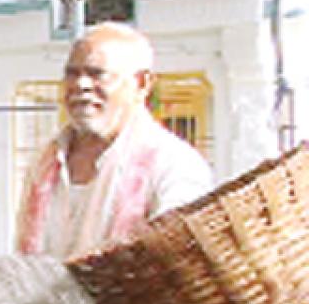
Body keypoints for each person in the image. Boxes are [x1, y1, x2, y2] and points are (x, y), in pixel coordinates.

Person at [16, 22, 212, 260]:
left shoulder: (174, 164)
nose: (81, 85)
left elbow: (177, 261)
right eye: (72, 74)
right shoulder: (44, 163)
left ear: (141, 84)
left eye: (97, 74)